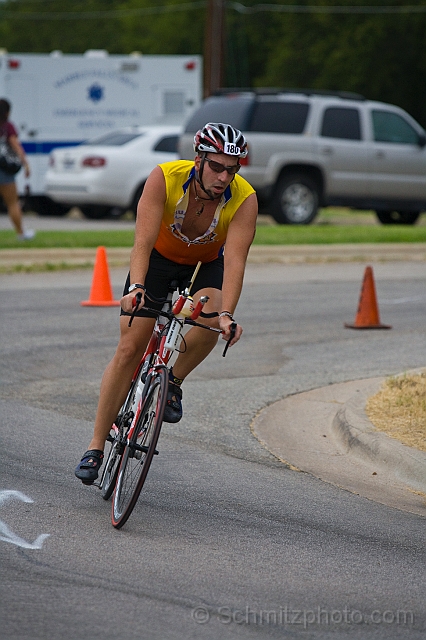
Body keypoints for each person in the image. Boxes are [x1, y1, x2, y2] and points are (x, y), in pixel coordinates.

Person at [75, 122, 258, 484]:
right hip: (157, 260)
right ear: (198, 160)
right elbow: (141, 242)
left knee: (210, 316)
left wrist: (226, 316)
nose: (225, 177)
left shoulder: (244, 198)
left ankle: (172, 382)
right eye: (217, 166)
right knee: (129, 348)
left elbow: (236, 261)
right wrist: (137, 286)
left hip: (207, 262)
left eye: (232, 169)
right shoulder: (164, 178)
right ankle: (95, 446)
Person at [0, 98, 34, 240]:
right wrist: (25, 163)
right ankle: (21, 233)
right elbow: (15, 145)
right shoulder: (7, 127)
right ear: (7, 112)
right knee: (12, 203)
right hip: (3, 169)